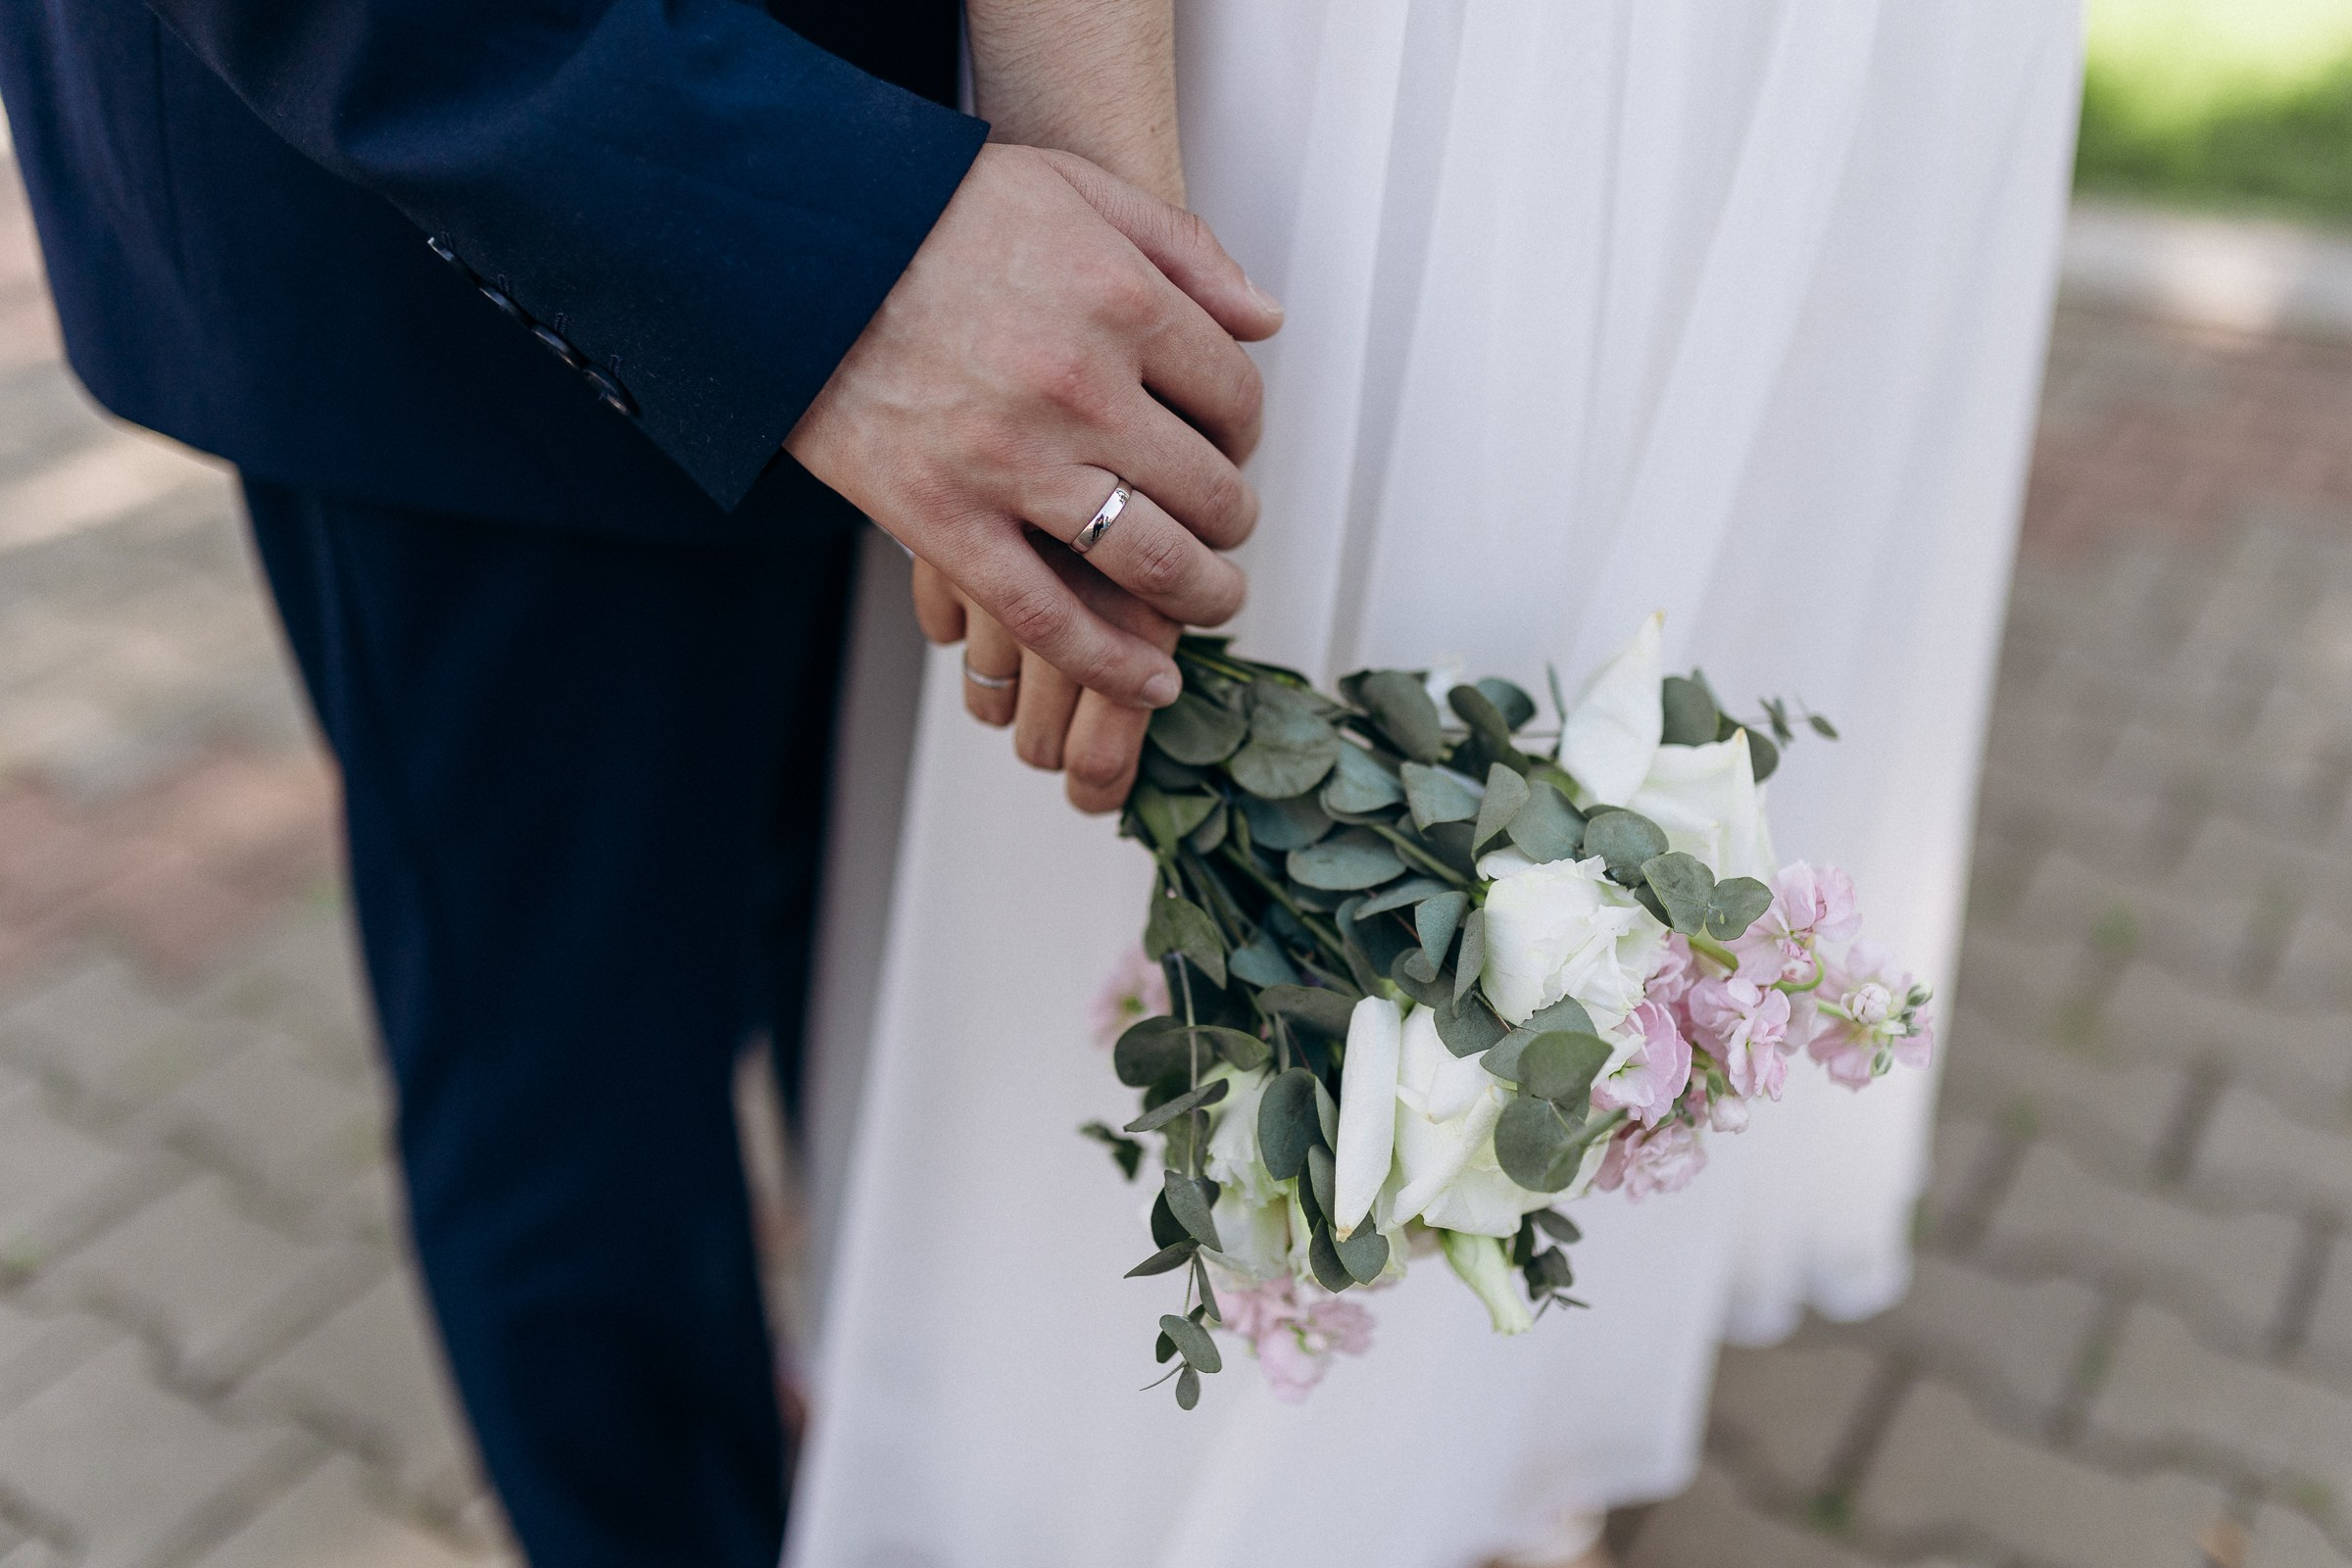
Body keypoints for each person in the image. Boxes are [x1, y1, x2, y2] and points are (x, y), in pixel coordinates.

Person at [792, 2, 2082, 1564]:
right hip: (1404, 74)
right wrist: (1095, 268)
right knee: (1223, 632)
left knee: (1685, 584)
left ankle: (1465, 1457)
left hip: (1827, 73)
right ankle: (1037, 1465)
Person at [0, 3, 1274, 1562]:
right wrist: (819, 247)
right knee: (581, 1108)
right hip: (479, 274)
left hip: (1051, 228)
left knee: (903, 997)